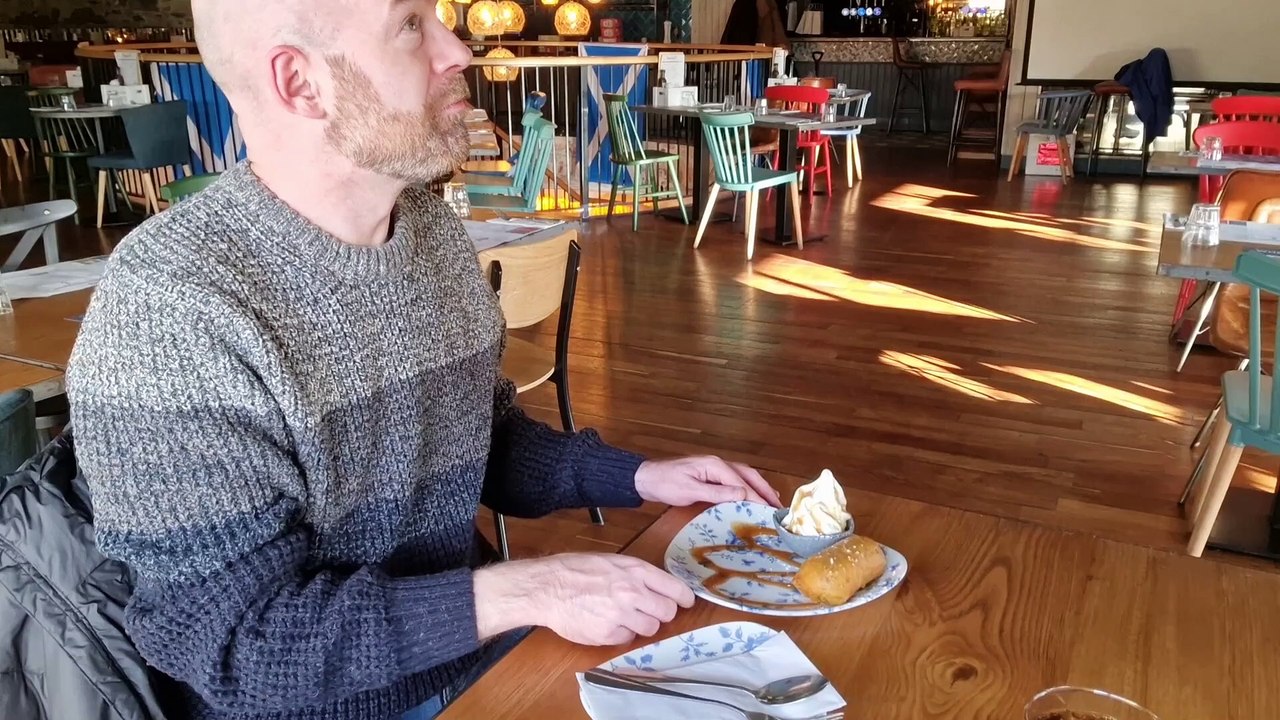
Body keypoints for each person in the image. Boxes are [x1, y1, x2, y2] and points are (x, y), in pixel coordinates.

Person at [66, 1, 783, 719]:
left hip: (470, 659)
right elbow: (235, 643)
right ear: (300, 82)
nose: (458, 51)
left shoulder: (430, 229)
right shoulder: (169, 308)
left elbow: (479, 438)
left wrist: (639, 476)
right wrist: (531, 589)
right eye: (411, 25)